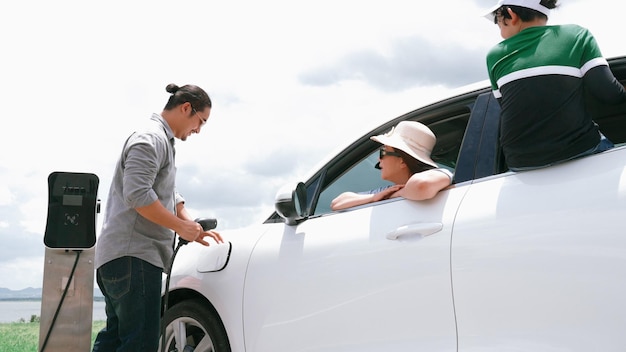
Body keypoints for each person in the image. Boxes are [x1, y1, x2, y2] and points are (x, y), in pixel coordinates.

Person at [92, 83, 224, 352]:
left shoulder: (160, 141)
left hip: (120, 259)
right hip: (135, 258)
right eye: (201, 121)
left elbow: (166, 192)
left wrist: (191, 226)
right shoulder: (151, 139)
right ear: (186, 108)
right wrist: (180, 227)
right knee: (139, 344)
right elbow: (138, 194)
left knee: (115, 339)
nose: (198, 130)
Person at [484, 0, 626, 171]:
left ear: (511, 15)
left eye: (496, 20)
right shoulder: (576, 36)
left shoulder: (494, 56)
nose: (498, 28)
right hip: (580, 149)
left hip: (520, 162)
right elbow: (609, 94)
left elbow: (511, 107)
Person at [331, 121, 453, 211]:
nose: (379, 160)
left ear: (402, 160)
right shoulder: (386, 191)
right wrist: (374, 197)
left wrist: (394, 195)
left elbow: (421, 185)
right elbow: (337, 203)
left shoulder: (441, 174)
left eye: (383, 152)